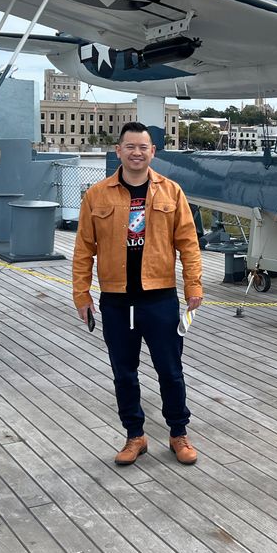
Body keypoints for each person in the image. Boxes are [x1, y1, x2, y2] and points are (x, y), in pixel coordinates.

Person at [73, 122, 204, 465]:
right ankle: (135, 436)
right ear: (118, 151)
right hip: (117, 300)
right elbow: (84, 249)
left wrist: (193, 285)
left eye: (143, 147)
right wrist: (81, 295)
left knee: (170, 370)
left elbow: (188, 244)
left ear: (152, 152)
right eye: (129, 146)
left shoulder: (171, 192)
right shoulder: (97, 195)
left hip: (159, 297)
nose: (136, 152)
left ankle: (179, 433)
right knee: (124, 372)